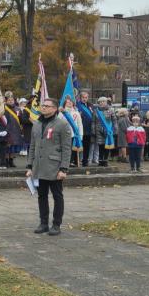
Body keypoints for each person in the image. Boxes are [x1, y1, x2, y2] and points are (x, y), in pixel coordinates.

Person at [26, 98, 73, 236]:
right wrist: (30, 165)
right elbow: (33, 146)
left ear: (54, 108)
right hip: (39, 167)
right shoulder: (37, 123)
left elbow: (66, 148)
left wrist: (64, 168)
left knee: (57, 195)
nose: (44, 108)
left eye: (47, 106)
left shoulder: (62, 124)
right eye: (43, 105)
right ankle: (44, 223)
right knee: (41, 195)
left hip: (54, 166)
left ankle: (56, 224)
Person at [92, 97, 118, 167]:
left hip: (108, 131)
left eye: (103, 101)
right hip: (98, 130)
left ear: (106, 102)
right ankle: (100, 161)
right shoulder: (96, 111)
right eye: (100, 102)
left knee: (107, 146)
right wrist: (93, 130)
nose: (101, 103)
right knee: (100, 146)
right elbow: (93, 122)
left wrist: (115, 129)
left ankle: (105, 161)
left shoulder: (111, 110)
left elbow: (114, 120)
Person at [76, 92, 95, 165]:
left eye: (86, 97)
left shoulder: (90, 105)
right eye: (83, 97)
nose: (85, 99)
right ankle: (76, 161)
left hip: (89, 129)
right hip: (80, 129)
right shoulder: (77, 105)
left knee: (87, 146)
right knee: (77, 145)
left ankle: (85, 161)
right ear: (80, 98)